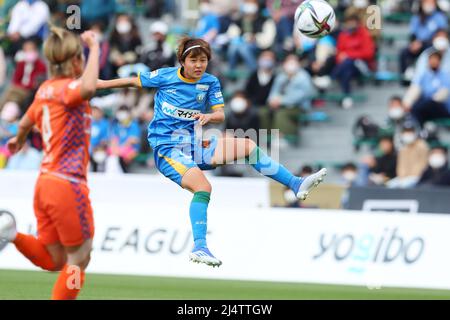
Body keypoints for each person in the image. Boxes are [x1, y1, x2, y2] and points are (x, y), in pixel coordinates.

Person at [97, 36, 327, 267]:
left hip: (192, 145)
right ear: (182, 61)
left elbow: (220, 114)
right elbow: (132, 82)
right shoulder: (165, 76)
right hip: (166, 147)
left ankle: (296, 184)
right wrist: (101, 85)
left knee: (248, 146)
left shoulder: (210, 82)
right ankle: (200, 246)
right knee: (203, 187)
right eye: (194, 60)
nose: (199, 65)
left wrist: (209, 116)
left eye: (203, 60)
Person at [0, 27, 99, 300]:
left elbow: (24, 122)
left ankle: (11, 233)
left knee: (55, 259)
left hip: (44, 184)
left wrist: (18, 140)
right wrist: (96, 48)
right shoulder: (71, 90)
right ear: (76, 60)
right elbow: (89, 87)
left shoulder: (46, 89)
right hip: (68, 184)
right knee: (78, 260)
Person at [403, 50, 450, 126]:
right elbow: (415, 89)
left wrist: (431, 100)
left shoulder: (445, 76)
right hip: (425, 107)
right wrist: (407, 102)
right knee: (416, 109)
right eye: (432, 59)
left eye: (436, 59)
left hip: (441, 108)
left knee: (420, 107)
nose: (433, 61)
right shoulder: (424, 75)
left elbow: (443, 95)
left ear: (440, 61)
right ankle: (418, 130)